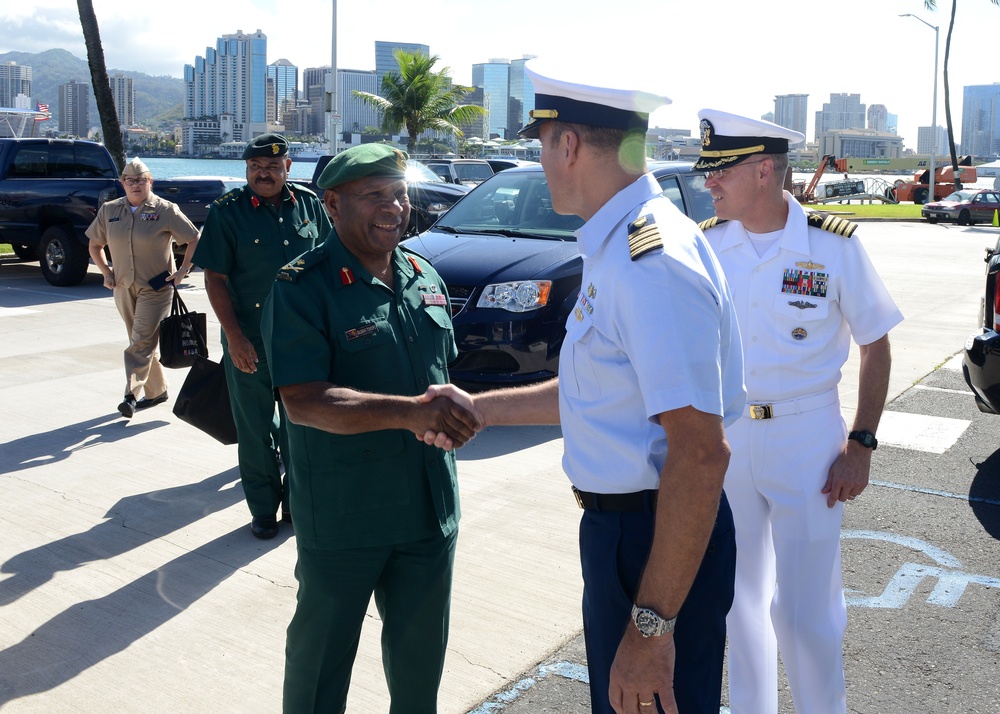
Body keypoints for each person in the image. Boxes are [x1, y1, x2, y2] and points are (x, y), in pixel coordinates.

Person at [423, 61, 745, 714]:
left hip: (653, 538)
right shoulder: (619, 246)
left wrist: (651, 630)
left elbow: (701, 452)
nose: (541, 162)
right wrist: (481, 408)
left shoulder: (648, 263)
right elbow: (599, 395)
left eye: (541, 145)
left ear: (567, 144)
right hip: (625, 536)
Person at [694, 109, 903, 714]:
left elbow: (876, 341)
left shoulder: (831, 244)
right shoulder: (708, 245)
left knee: (809, 612)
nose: (709, 182)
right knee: (738, 602)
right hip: (730, 436)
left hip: (808, 438)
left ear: (764, 171)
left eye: (720, 171)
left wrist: (860, 443)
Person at [259, 144, 480, 713]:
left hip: (429, 512)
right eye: (375, 195)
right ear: (332, 203)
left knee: (419, 666)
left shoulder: (422, 273)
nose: (395, 207)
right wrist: (410, 412)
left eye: (400, 193)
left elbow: (441, 374)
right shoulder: (301, 286)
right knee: (319, 665)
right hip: (346, 516)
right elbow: (303, 401)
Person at [193, 133, 331, 540]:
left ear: (288, 166)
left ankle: (295, 505)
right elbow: (215, 279)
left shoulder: (309, 205)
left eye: (272, 166)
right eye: (255, 167)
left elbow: (326, 263)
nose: (263, 173)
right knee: (254, 430)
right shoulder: (227, 212)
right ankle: (262, 510)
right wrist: (234, 338)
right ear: (246, 170)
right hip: (248, 340)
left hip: (302, 341)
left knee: (299, 426)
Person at [86, 157, 200, 419]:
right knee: (141, 342)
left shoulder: (165, 209)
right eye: (130, 180)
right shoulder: (110, 210)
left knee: (140, 342)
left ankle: (130, 395)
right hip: (124, 286)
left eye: (141, 180)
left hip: (157, 288)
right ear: (122, 183)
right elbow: (94, 245)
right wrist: (106, 272)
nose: (135, 185)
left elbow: (194, 238)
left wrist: (183, 270)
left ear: (150, 182)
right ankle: (157, 391)